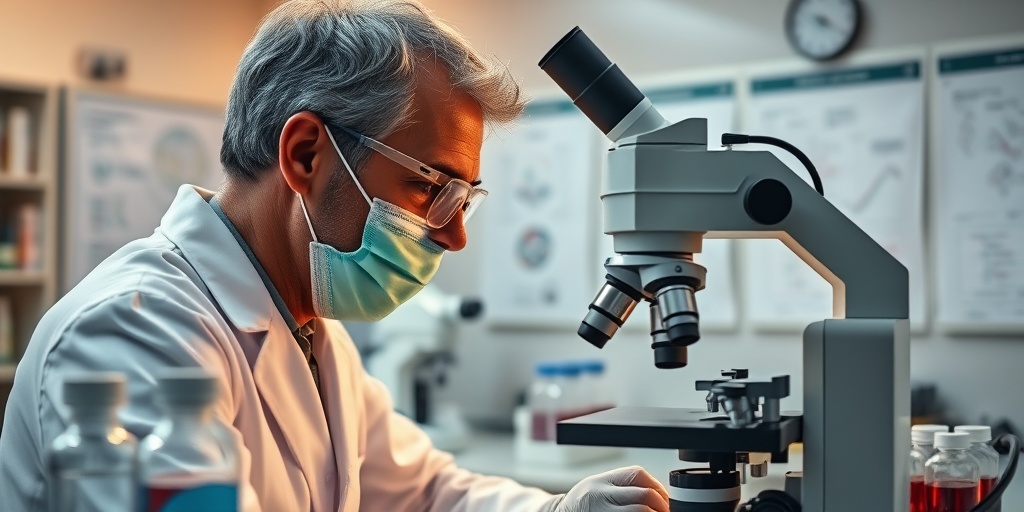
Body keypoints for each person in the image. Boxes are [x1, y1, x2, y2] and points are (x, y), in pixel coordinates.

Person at [0, 1, 671, 511]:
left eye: (465, 200)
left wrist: (556, 508)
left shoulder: (310, 327)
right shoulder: (134, 333)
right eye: (432, 189)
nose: (453, 235)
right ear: (305, 155)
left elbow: (424, 489)